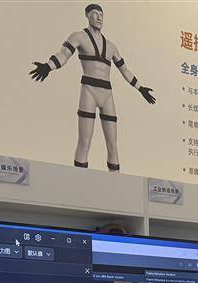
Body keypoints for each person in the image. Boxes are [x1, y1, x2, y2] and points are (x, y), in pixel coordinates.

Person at [30, 3, 156, 171]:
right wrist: (48, 66)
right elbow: (64, 54)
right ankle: (79, 181)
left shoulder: (111, 46)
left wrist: (140, 88)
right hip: (89, 90)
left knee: (113, 145)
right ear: (87, 15)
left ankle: (115, 180)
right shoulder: (79, 37)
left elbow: (124, 70)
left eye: (101, 14)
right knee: (84, 142)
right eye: (95, 13)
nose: (99, 17)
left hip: (107, 93)